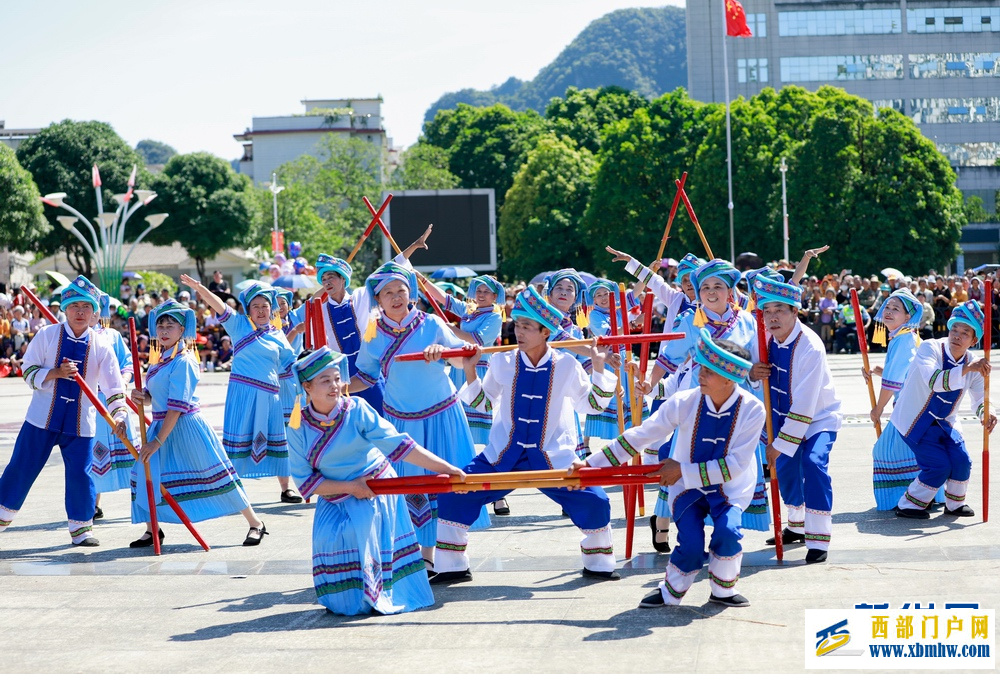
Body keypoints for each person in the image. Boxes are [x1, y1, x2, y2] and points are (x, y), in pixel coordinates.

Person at [432, 287, 619, 585]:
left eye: (527, 327)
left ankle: (598, 563)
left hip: (553, 457)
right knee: (455, 492)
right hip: (502, 454)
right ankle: (453, 566)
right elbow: (484, 403)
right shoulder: (502, 361)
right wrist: (470, 373)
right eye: (517, 325)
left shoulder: (567, 365)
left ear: (546, 332)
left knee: (595, 500)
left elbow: (592, 404)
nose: (519, 332)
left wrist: (598, 367)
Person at [287, 347, 466, 614]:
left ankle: (380, 592)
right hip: (336, 495)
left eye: (337, 378)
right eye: (325, 380)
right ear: (307, 387)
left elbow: (401, 445)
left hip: (375, 489)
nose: (335, 386)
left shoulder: (356, 409)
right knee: (338, 584)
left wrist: (446, 467)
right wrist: (350, 487)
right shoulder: (297, 426)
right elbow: (305, 483)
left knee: (361, 537)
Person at [593, 331, 764, 607]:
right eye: (701, 369)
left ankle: (723, 591)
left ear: (729, 379)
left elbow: (735, 466)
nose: (701, 376)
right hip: (687, 489)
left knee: (728, 532)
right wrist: (590, 465)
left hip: (730, 489)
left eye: (708, 371)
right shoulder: (685, 401)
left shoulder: (753, 409)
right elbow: (642, 435)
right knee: (692, 543)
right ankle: (670, 591)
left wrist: (682, 470)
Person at [350, 261, 489, 571]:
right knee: (408, 488)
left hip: (442, 415)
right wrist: (340, 388)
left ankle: (450, 555)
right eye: (388, 293)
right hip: (400, 421)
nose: (396, 297)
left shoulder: (431, 324)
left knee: (448, 483)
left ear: (411, 293)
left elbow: (464, 358)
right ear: (379, 299)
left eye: (401, 290)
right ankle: (421, 557)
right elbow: (367, 376)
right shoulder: (373, 333)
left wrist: (447, 352)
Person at [0, 276, 129, 547]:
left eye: (86, 306)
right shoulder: (47, 335)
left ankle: (82, 529)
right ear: (65, 309)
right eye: (74, 306)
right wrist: (55, 373)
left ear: (95, 313)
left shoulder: (102, 345)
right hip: (40, 419)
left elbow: (114, 386)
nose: (80, 312)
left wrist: (119, 414)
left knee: (82, 474)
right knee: (21, 467)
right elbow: (28, 369)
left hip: (82, 422)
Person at [128, 299, 267, 547]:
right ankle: (152, 529)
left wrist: (157, 442)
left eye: (171, 326)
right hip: (161, 425)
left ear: (182, 331)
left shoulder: (184, 361)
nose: (164, 331)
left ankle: (256, 523)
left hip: (187, 428)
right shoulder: (160, 360)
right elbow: (156, 398)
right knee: (144, 473)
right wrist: (143, 397)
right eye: (160, 326)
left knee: (217, 475)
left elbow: (176, 407)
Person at [180, 274, 302, 504]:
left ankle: (286, 489)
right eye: (255, 306)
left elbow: (291, 365)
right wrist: (201, 289)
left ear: (272, 308)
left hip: (270, 396)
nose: (261, 310)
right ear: (248, 309)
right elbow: (219, 305)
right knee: (239, 442)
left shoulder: (277, 335)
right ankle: (233, 491)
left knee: (278, 442)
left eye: (265, 306)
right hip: (243, 394)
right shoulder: (239, 325)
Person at [750, 274, 842, 564]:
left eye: (779, 310)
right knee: (786, 470)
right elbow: (751, 373)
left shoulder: (810, 346)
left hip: (818, 418)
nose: (772, 317)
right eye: (767, 311)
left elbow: (805, 402)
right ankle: (796, 525)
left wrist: (781, 442)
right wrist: (754, 373)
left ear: (795, 311)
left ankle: (818, 539)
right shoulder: (762, 336)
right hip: (779, 414)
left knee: (814, 464)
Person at [892, 301, 996, 520]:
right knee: (939, 465)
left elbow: (979, 398)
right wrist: (967, 368)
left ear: (974, 340)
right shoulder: (930, 347)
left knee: (962, 460)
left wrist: (987, 413)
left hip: (945, 421)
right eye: (954, 330)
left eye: (964, 333)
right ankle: (909, 505)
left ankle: (955, 504)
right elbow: (935, 381)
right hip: (914, 419)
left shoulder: (975, 364)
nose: (956, 336)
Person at [310, 228, 431, 416]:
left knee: (382, 413)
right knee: (349, 419)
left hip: (368, 364)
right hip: (340, 370)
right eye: (323, 279)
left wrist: (413, 247)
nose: (327, 282)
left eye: (331, 277)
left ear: (343, 279)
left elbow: (387, 269)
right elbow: (299, 311)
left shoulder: (360, 295)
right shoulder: (320, 308)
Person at [863, 289, 943, 510]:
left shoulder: (903, 338)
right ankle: (921, 496)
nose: (888, 312)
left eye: (895, 309)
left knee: (885, 451)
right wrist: (876, 370)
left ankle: (907, 498)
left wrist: (878, 409)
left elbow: (893, 381)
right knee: (913, 455)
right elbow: (903, 372)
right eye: (887, 307)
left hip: (910, 408)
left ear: (907, 317)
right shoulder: (907, 335)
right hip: (917, 407)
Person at [88, 293, 138, 520]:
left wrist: (122, 383)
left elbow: (128, 363)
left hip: (114, 401)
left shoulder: (112, 335)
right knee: (95, 453)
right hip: (89, 404)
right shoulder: (71, 337)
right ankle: (93, 503)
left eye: (92, 308)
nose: (87, 313)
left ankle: (142, 500)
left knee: (130, 451)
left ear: (98, 313)